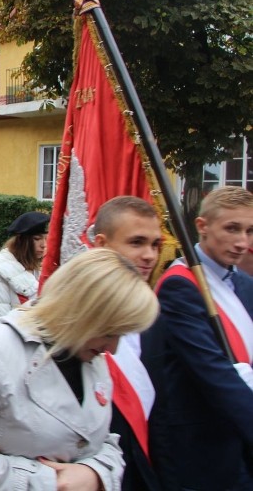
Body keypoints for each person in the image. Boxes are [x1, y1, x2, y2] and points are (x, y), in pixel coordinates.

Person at [0, 248, 158, 490]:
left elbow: (104, 441)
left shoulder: (91, 358)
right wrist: (50, 483)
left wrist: (94, 473)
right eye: (110, 332)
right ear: (82, 312)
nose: (114, 348)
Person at [143, 186, 253, 490]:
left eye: (250, 230)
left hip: (237, 439)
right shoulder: (180, 287)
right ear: (202, 226)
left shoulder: (244, 284)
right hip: (200, 448)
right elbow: (213, 371)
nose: (242, 242)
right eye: (232, 228)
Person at [92, 195, 164, 491]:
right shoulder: (73, 317)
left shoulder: (157, 316)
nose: (149, 255)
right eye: (136, 243)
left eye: (155, 244)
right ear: (101, 244)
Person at [0, 211, 49, 321]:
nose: (44, 245)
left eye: (46, 239)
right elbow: (0, 320)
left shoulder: (39, 267)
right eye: (37, 239)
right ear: (23, 242)